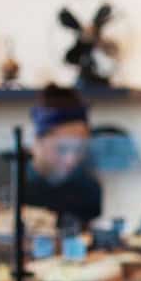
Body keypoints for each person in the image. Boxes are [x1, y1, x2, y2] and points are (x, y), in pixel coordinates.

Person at [23, 83, 103, 230]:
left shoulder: (89, 188)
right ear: (37, 142)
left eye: (79, 149)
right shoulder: (5, 178)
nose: (71, 160)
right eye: (62, 149)